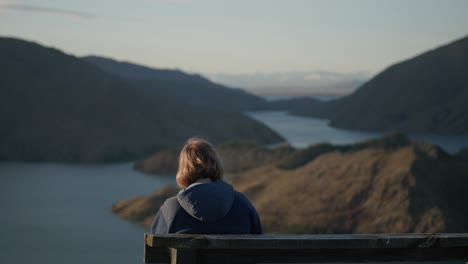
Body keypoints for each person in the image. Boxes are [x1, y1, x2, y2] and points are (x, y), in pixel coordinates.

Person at [150, 137, 262, 234]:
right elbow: (257, 249)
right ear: (216, 163)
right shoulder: (243, 204)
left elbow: (155, 255)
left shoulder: (171, 209)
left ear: (183, 169)